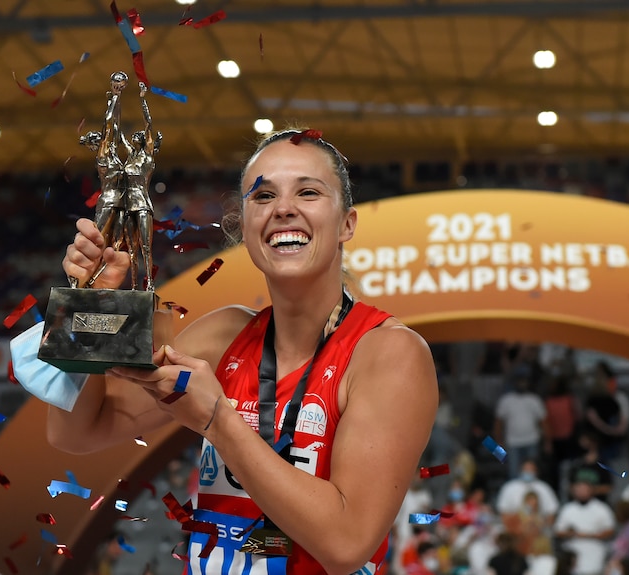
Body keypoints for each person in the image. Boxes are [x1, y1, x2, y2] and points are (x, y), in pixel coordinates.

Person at [51, 129, 439, 575]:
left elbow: (346, 544)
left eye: (308, 192)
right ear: (244, 226)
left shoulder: (388, 352)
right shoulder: (222, 336)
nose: (283, 208)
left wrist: (218, 421)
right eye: (263, 196)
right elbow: (76, 433)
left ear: (347, 224)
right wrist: (90, 306)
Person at [78, 71, 128, 289]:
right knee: (96, 244)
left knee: (115, 248)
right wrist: (115, 96)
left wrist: (114, 101)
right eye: (97, 139)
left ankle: (95, 283)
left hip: (122, 203)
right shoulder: (103, 157)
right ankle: (79, 283)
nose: (103, 139)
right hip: (108, 201)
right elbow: (109, 125)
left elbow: (114, 128)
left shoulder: (114, 155)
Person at [120, 81, 162, 291]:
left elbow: (149, 124)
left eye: (139, 136)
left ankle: (150, 284)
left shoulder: (147, 157)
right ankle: (135, 285)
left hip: (143, 205)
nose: (134, 137)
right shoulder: (129, 159)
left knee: (145, 247)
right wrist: (116, 97)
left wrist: (143, 98)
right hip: (128, 207)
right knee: (130, 249)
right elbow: (116, 133)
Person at [554, 475, 616, 575]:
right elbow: (558, 531)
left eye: (585, 489)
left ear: (591, 490)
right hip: (573, 553)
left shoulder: (602, 508)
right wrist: (572, 534)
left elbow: (610, 530)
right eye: (579, 489)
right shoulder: (568, 509)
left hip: (595, 551)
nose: (582, 492)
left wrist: (590, 535)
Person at [493, 372, 550, 479]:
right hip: (512, 442)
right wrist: (498, 442)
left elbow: (543, 422)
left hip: (532, 441)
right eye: (520, 382)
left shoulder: (534, 399)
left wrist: (547, 441)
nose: (522, 384)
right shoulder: (506, 400)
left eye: (524, 382)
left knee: (533, 471)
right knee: (514, 472)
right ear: (515, 383)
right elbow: (498, 423)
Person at [495, 460, 559, 526]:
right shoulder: (509, 487)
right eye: (526, 469)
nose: (528, 472)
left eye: (531, 469)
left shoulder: (544, 488)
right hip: (515, 527)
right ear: (520, 470)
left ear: (536, 471)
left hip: (539, 528)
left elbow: (551, 513)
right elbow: (503, 513)